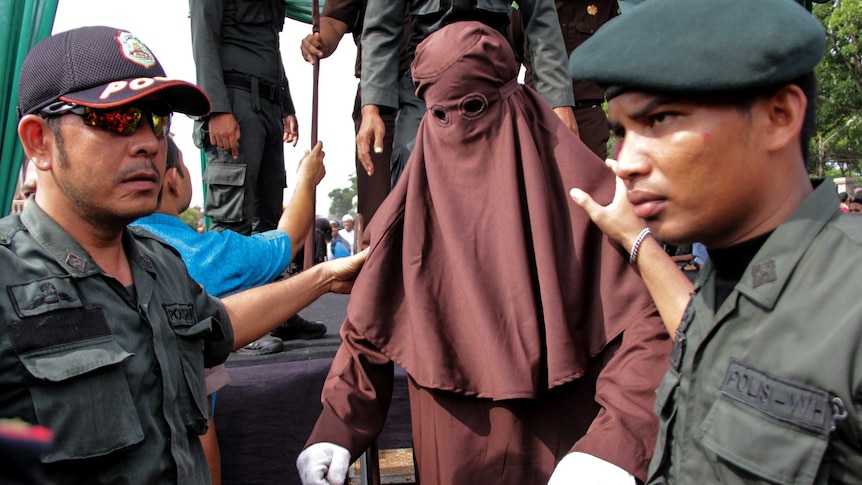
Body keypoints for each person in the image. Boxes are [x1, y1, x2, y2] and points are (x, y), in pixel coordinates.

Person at [297, 21, 671, 485]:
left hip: (568, 450)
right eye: (439, 115)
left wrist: (615, 444)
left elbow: (657, 322)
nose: (456, 128)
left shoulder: (589, 200)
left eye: (473, 107)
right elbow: (368, 328)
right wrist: (336, 429)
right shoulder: (412, 209)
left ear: (512, 98)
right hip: (452, 447)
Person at [4, 25, 366, 484]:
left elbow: (220, 326)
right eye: (115, 119)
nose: (148, 143)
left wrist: (324, 276)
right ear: (39, 141)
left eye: (157, 121)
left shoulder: (161, 264)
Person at [568, 0, 862, 481]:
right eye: (621, 131)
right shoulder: (728, 278)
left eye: (660, 120)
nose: (625, 161)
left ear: (779, 116)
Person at [131, 136, 326, 483]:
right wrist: (306, 179)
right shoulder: (200, 255)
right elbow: (289, 239)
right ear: (174, 178)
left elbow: (228, 319)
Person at [357, 0, 581, 187]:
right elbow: (381, 27)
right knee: (411, 166)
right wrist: (371, 107)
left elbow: (541, 22)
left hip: (495, 88)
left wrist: (558, 102)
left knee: (514, 179)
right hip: (425, 89)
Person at [189, 0, 299, 235]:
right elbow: (204, 38)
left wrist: (286, 105)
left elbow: (270, 47)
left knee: (269, 218)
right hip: (235, 103)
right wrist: (216, 109)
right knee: (233, 218)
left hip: (270, 103)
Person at [300, 0, 406, 225]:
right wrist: (319, 41)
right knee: (380, 215)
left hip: (447, 88)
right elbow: (333, 21)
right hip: (382, 99)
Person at [510, 0, 619, 159]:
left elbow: (617, 62)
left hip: (588, 121)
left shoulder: (605, 5)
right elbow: (510, 59)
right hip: (536, 117)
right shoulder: (529, 5)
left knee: (589, 181)